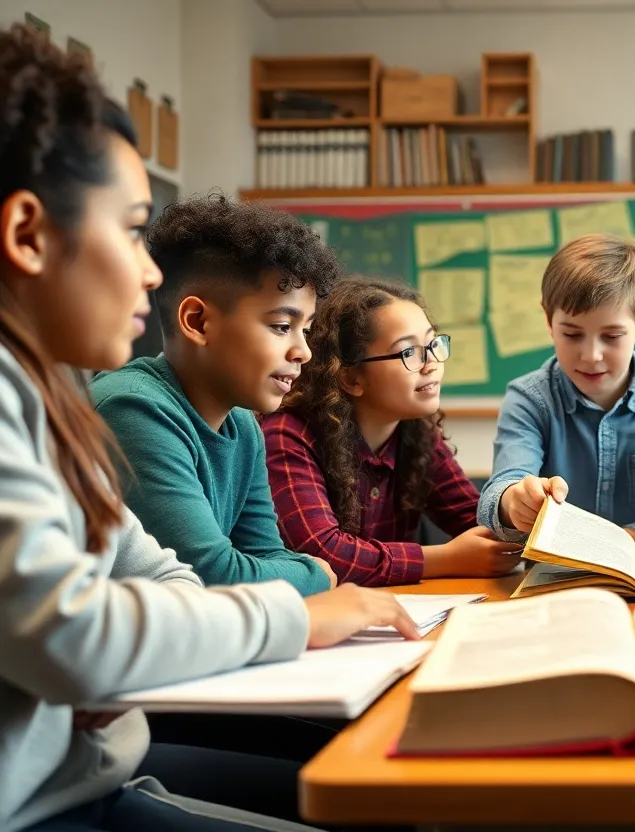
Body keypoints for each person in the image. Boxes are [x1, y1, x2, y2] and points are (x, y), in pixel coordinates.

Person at [0, 24, 416, 832]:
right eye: (128, 229)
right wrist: (298, 611)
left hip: (82, 772)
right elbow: (74, 631)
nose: (148, 269)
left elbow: (158, 574)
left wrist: (104, 672)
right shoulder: (97, 402)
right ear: (26, 235)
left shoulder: (49, 401)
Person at [90, 194, 338, 597]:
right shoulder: (131, 408)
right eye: (280, 326)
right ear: (198, 321)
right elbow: (212, 575)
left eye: (305, 330)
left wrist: (288, 573)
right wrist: (316, 574)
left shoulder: (243, 425)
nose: (303, 352)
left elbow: (264, 554)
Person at [263, 277, 520, 585]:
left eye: (433, 343)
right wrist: (445, 559)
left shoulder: (416, 431)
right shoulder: (287, 436)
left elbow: (473, 518)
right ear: (351, 379)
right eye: (408, 352)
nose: (432, 363)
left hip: (393, 612)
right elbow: (324, 554)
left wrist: (515, 507)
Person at [478, 234, 635, 545]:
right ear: (549, 322)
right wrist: (514, 501)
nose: (591, 355)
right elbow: (498, 494)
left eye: (611, 336)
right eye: (572, 334)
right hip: (555, 581)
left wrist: (627, 539)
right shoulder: (529, 399)